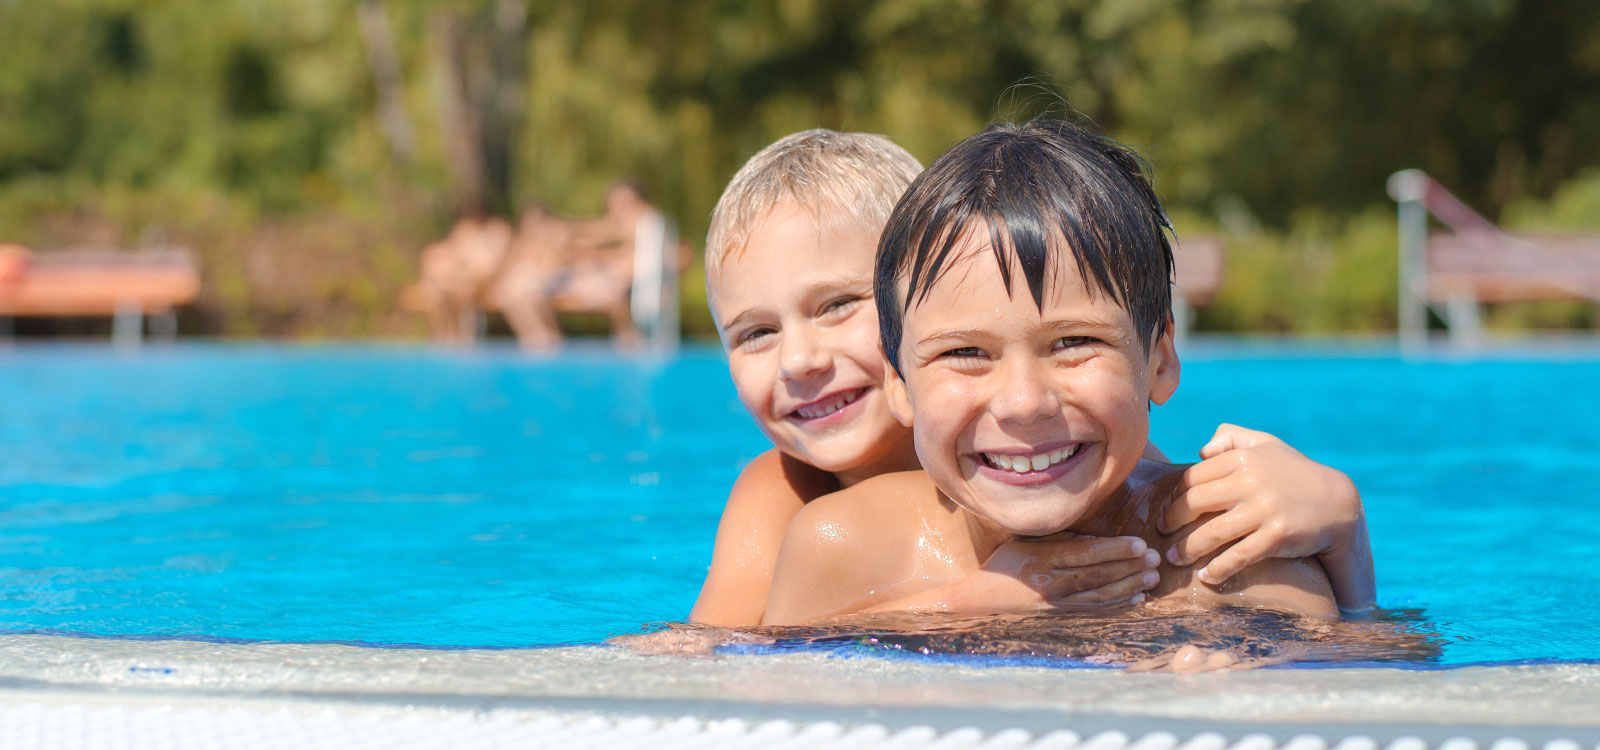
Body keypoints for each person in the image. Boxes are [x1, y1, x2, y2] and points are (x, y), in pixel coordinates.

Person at [691, 128, 1371, 628]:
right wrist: (966, 608)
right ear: (906, 371)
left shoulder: (1194, 539)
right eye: (965, 352)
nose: (1023, 403)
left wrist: (1341, 527)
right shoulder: (810, 522)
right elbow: (731, 670)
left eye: (1072, 343)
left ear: (1158, 359)